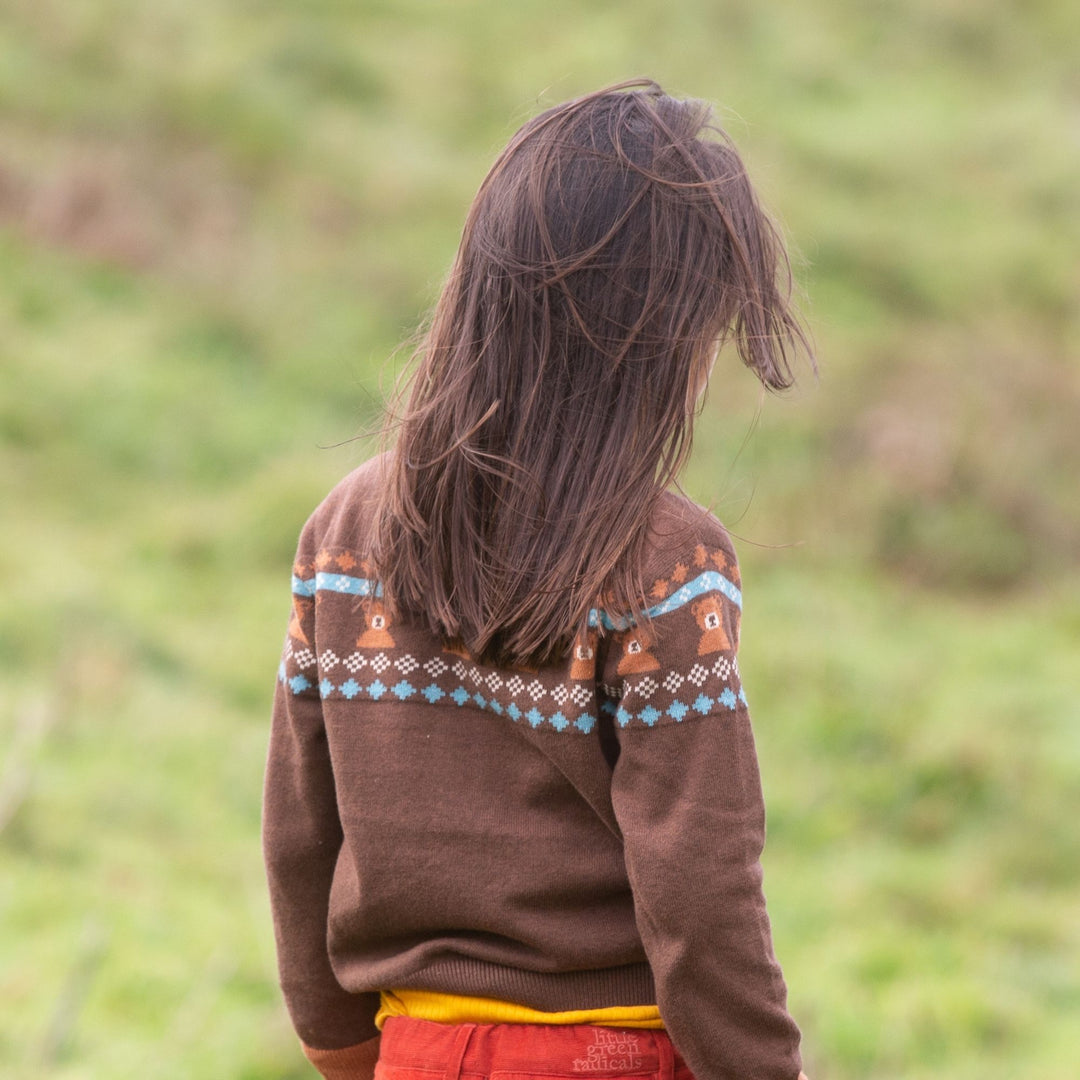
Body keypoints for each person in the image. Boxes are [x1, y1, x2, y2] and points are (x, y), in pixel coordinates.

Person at [263, 78, 815, 1080]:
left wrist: (344, 1049)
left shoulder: (341, 536)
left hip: (413, 1054)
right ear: (658, 342)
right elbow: (702, 897)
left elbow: (301, 837)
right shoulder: (667, 563)